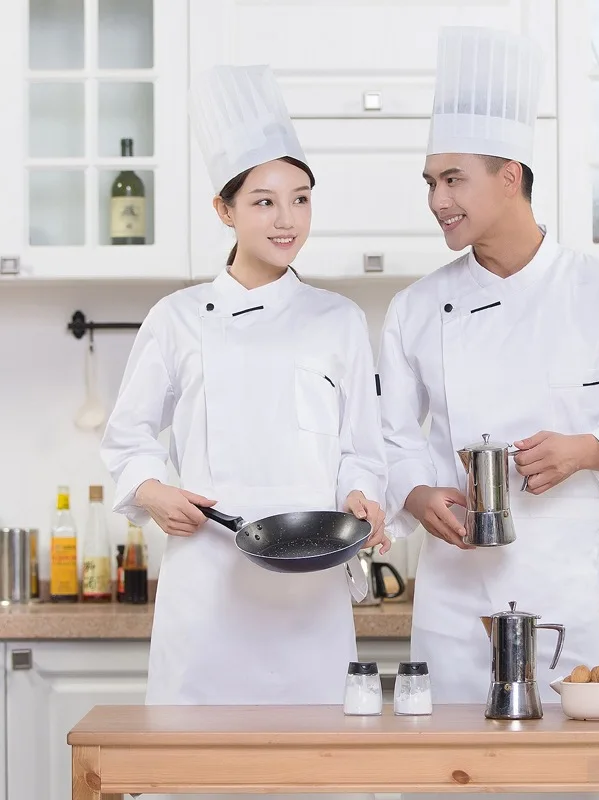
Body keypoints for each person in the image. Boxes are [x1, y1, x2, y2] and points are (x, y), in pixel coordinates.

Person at [378, 26, 599, 707]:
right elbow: (390, 439)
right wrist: (417, 495)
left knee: (572, 776)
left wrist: (585, 449)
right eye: (431, 182)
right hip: (455, 597)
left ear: (510, 176)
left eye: (453, 180)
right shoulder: (416, 308)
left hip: (566, 596)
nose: (437, 201)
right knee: (449, 776)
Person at [101, 64, 389, 712]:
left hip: (310, 604)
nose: (287, 219)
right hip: (208, 598)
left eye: (301, 198)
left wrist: (363, 498)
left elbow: (362, 450)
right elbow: (127, 435)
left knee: (315, 777)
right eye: (264, 201)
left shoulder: (338, 319)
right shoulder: (177, 318)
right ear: (224, 209)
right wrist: (154, 490)